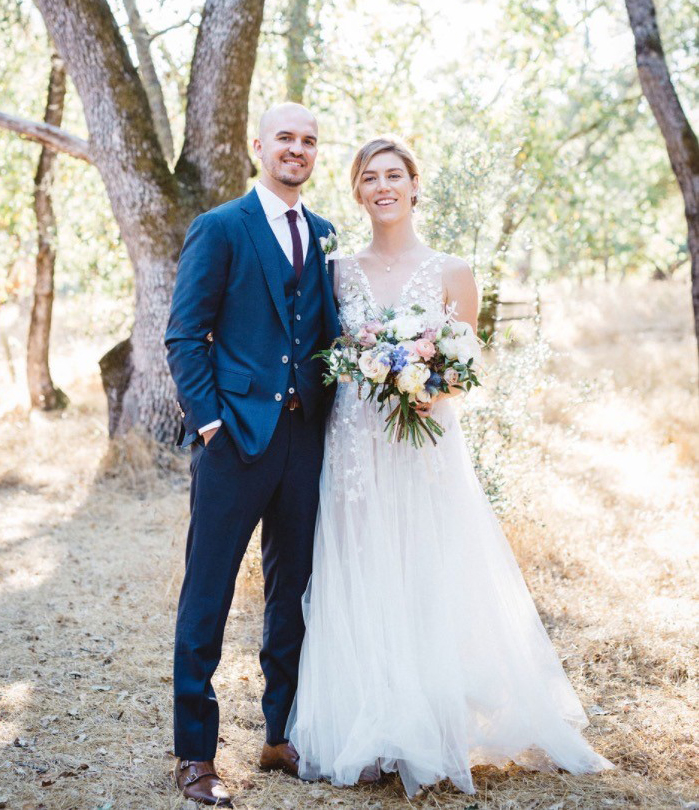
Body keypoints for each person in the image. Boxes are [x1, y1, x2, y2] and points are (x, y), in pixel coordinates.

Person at [286, 137, 613, 796]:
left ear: (413, 185)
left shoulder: (452, 270)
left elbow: (464, 371)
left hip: (424, 442)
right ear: (356, 191)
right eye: (369, 176)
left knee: (423, 566)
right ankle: (369, 722)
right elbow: (327, 354)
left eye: (394, 174)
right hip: (353, 442)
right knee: (361, 566)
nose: (383, 185)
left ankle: (430, 723)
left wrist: (423, 384)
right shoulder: (337, 271)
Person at [164, 102, 341, 806]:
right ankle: (195, 755)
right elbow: (185, 335)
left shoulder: (324, 236)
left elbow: (326, 337)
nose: (296, 150)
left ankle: (278, 734)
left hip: (304, 442)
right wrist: (209, 425)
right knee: (205, 595)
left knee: (291, 593)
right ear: (258, 146)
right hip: (233, 440)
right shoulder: (220, 227)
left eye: (308, 141)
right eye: (285, 138)